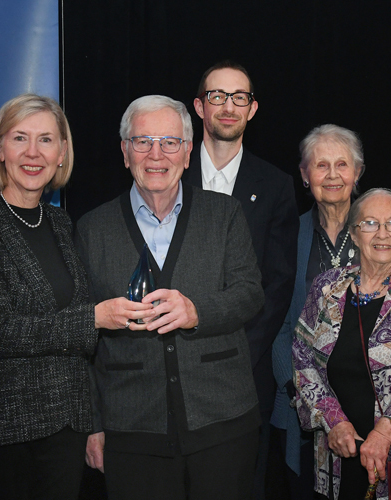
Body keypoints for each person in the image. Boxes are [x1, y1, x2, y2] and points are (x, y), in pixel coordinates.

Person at [76, 95, 264, 500]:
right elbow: (81, 341)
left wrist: (198, 311)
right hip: (132, 430)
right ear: (125, 153)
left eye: (170, 142)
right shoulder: (92, 229)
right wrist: (92, 423)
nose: (156, 154)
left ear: (187, 151)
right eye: (142, 141)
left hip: (222, 420)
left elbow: (250, 294)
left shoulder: (225, 214)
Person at [0, 93, 97, 499]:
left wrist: (93, 417)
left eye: (46, 140)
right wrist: (94, 320)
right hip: (5, 427)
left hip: (68, 424)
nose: (33, 153)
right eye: (20, 138)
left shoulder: (63, 223)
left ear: (62, 152)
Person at [183, 61, 299, 500]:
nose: (228, 107)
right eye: (217, 96)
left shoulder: (275, 185)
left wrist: (234, 353)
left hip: (244, 371)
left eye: (239, 97)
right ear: (199, 106)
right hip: (172, 366)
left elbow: (277, 285)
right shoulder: (168, 175)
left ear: (252, 109)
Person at [292, 188, 391, 500]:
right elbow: (302, 359)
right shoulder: (327, 286)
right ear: (353, 233)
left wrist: (385, 431)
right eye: (370, 223)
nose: (382, 233)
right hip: (339, 452)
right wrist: (334, 423)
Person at [269, 124, 366, 499]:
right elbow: (278, 326)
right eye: (320, 165)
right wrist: (302, 393)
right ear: (305, 175)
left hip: (371, 404)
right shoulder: (285, 235)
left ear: (357, 172)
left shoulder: (381, 233)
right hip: (303, 407)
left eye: (342, 164)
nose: (332, 175)